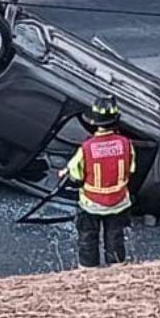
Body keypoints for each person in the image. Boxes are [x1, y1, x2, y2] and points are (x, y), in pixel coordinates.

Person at [59, 95, 137, 268]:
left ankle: (89, 270)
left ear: (94, 122)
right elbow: (131, 169)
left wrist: (67, 174)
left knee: (88, 238)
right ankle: (117, 268)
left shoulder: (86, 148)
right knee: (115, 238)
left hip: (91, 204)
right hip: (118, 203)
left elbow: (76, 174)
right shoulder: (126, 144)